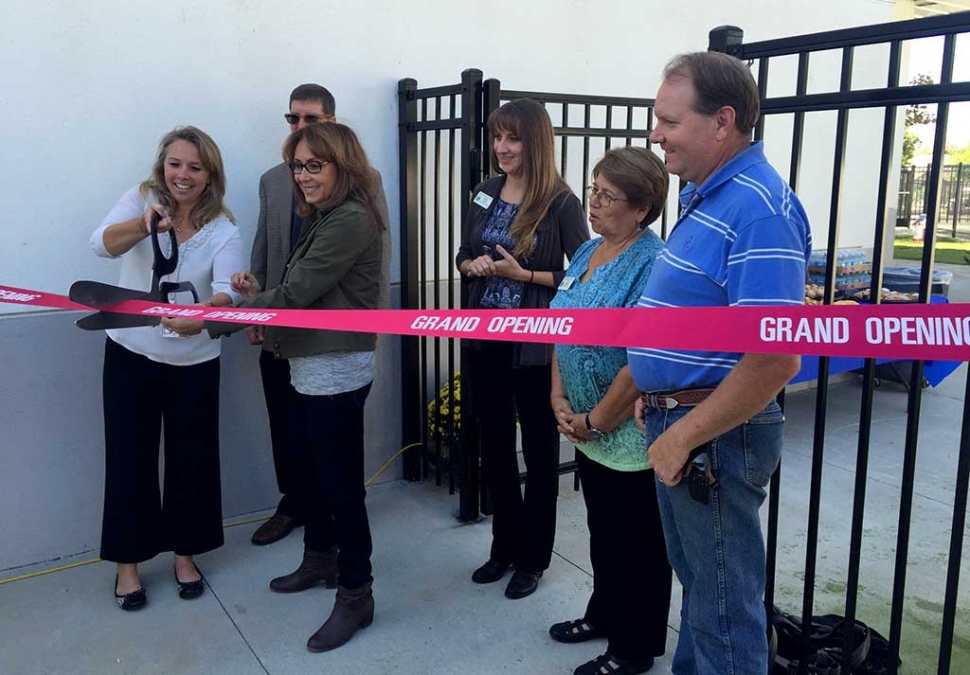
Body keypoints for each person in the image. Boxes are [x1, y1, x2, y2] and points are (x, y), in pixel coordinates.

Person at [629, 52, 812, 675]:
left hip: (713, 439)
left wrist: (680, 432)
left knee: (725, 618)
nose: (655, 135)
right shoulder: (709, 195)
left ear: (722, 122)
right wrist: (656, 390)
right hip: (687, 424)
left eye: (668, 121)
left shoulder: (758, 210)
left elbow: (774, 358)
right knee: (706, 603)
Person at [222, 122, 383, 653]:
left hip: (335, 367)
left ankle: (356, 593)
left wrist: (223, 314)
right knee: (313, 475)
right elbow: (293, 289)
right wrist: (257, 294)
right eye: (298, 165)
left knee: (339, 486)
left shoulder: (352, 218)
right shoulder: (323, 217)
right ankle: (319, 558)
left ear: (343, 167)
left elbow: (299, 290)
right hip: (308, 363)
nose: (304, 176)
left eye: (316, 165)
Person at [89, 126, 243, 610]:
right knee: (129, 457)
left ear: (210, 175)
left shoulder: (224, 227)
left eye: (195, 167)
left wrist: (205, 314)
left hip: (193, 361)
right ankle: (128, 566)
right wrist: (144, 226)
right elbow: (100, 245)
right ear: (163, 166)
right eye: (176, 164)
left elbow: (230, 290)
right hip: (130, 353)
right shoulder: (141, 199)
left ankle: (184, 555)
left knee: (191, 461)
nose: (183, 175)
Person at [456, 98, 589, 600]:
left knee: (537, 450)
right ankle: (503, 548)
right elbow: (465, 249)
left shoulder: (561, 202)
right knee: (493, 445)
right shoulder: (486, 191)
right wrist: (470, 266)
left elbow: (584, 273)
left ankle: (534, 559)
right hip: (486, 338)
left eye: (512, 138)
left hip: (534, 349)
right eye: (497, 137)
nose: (501, 147)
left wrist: (524, 274)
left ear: (535, 142)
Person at [248, 83, 392, 547]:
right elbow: (265, 246)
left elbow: (376, 258)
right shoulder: (275, 179)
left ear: (333, 124)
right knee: (290, 430)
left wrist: (375, 323)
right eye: (293, 120)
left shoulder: (359, 190)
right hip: (280, 327)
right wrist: (252, 308)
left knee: (333, 462)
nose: (301, 128)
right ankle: (300, 516)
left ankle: (337, 558)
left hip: (329, 336)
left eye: (311, 119)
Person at [548, 147, 671, 675]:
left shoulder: (653, 263)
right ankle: (604, 614)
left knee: (637, 545)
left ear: (641, 208)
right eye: (593, 190)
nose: (592, 203)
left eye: (606, 196)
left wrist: (597, 419)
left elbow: (642, 360)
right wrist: (558, 398)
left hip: (625, 433)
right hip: (583, 424)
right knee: (604, 532)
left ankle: (634, 646)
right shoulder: (587, 252)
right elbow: (561, 325)